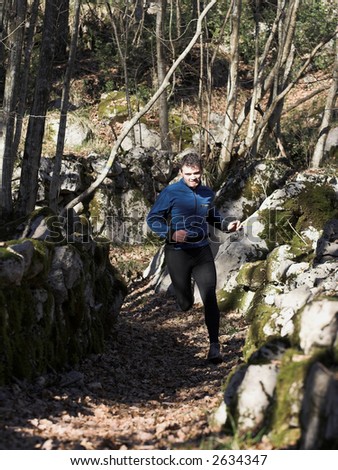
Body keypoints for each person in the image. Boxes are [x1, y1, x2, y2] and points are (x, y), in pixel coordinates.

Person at [146, 152, 242, 364]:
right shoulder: (171, 193)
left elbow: (211, 215)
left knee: (209, 297)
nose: (193, 178)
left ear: (201, 171)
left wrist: (227, 225)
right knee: (185, 303)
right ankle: (184, 297)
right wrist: (171, 233)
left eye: (196, 173)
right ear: (181, 172)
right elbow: (152, 218)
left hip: (201, 251)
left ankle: (214, 346)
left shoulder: (207, 193)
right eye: (188, 174)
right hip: (178, 252)